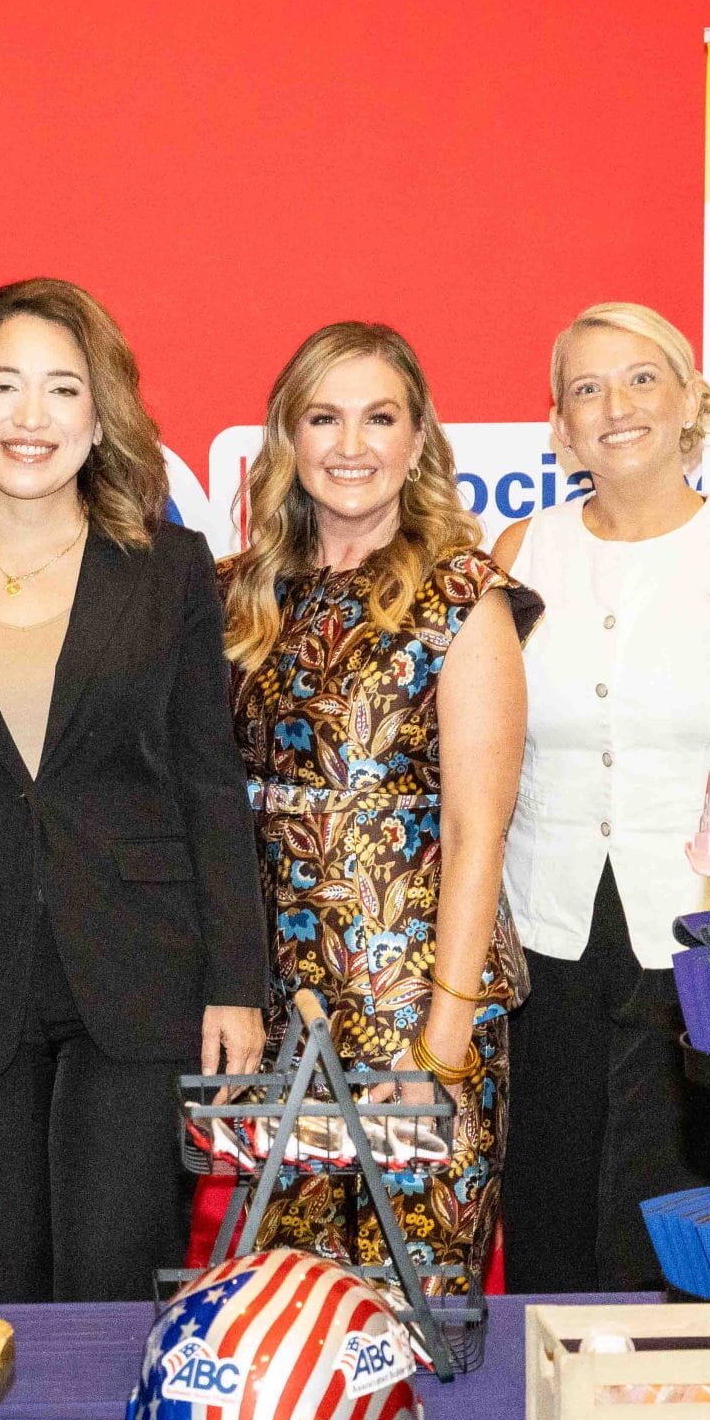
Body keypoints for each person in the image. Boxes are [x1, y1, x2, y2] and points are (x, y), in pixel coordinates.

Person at [0, 279, 264, 1303]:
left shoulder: (167, 568)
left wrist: (238, 984)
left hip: (139, 973)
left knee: (115, 1275)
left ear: (100, 414)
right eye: (4, 386)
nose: (31, 417)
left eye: (63, 389)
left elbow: (211, 785)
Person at [223, 321, 539, 1299]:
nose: (351, 445)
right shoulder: (240, 596)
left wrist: (442, 1042)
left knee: (414, 1309)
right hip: (278, 1012)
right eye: (324, 418)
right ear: (288, 437)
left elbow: (478, 832)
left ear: (417, 440)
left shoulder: (463, 594)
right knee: (284, 1309)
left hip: (414, 1005)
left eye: (379, 418)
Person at [489, 304, 710, 1293]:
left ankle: (668, 1381)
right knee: (545, 1194)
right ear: (559, 426)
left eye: (643, 379)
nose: (617, 406)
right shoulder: (520, 550)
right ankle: (541, 1379)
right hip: (545, 927)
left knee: (676, 1202)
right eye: (587, 388)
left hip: (704, 931)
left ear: (691, 401)